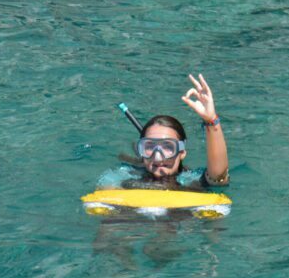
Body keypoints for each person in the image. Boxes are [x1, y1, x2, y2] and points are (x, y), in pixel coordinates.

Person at [98, 74, 229, 191]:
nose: (157, 157)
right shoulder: (123, 175)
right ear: (141, 150)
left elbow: (218, 177)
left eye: (167, 146)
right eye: (149, 146)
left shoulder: (191, 180)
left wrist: (211, 121)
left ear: (182, 152)